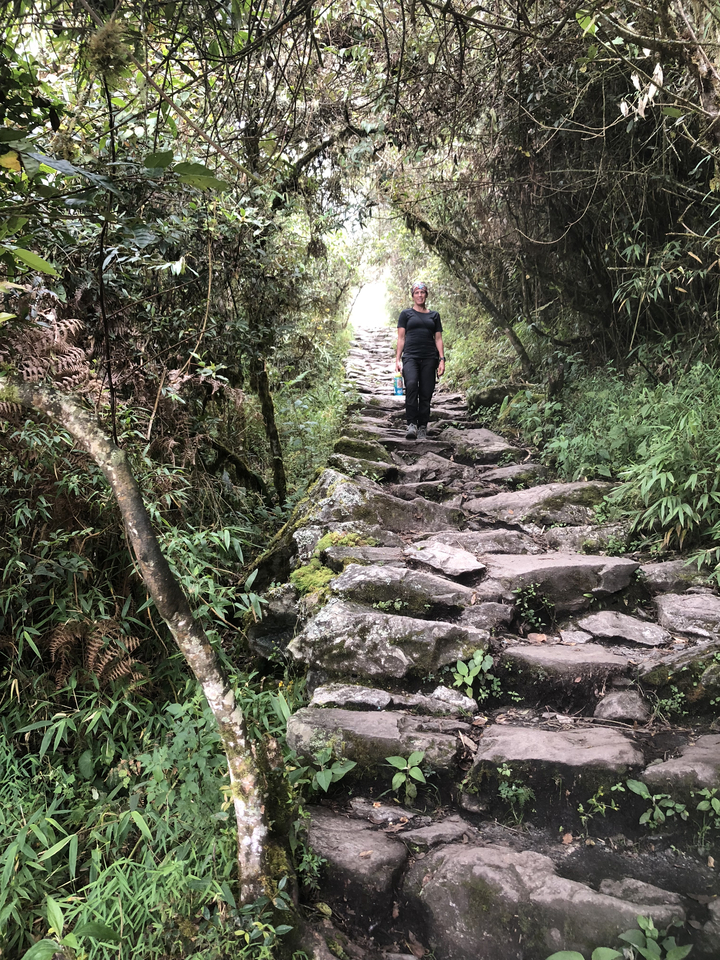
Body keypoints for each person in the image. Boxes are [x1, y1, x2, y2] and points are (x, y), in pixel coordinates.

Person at [395, 281, 445, 440]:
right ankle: (411, 424)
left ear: (426, 295)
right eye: (417, 293)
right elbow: (401, 338)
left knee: (426, 391)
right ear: (413, 295)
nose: (419, 295)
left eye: (422, 293)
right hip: (410, 356)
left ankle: (423, 426)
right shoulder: (406, 314)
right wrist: (397, 359)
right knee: (411, 385)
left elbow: (438, 339)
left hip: (430, 357)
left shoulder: (434, 315)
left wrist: (442, 359)